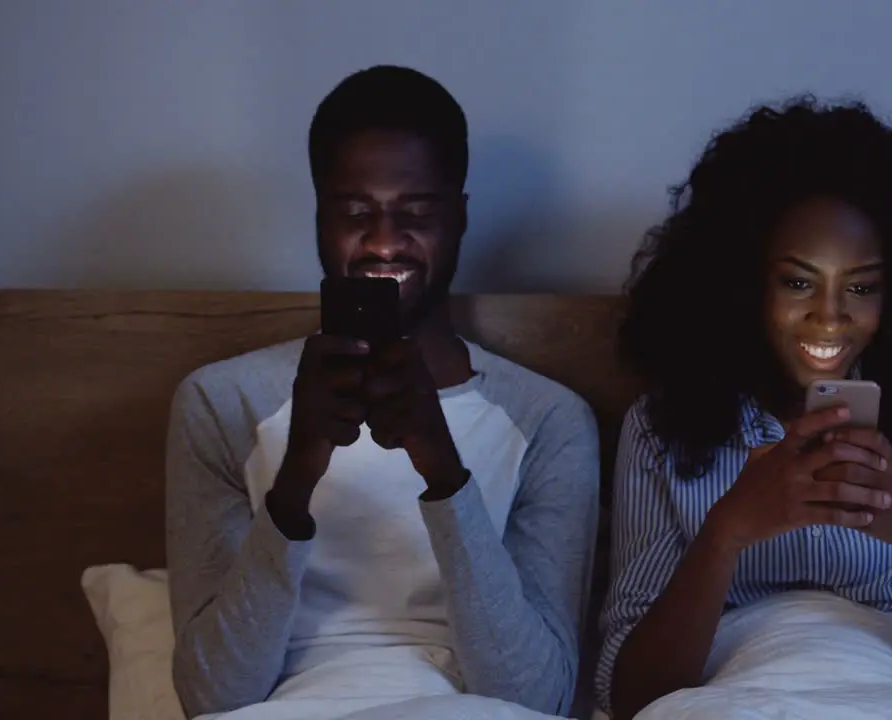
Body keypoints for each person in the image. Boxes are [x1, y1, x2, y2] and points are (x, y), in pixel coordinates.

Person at [165, 66, 599, 718]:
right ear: (320, 217)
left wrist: (443, 470)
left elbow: (536, 695)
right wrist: (299, 470)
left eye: (416, 212)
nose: (385, 241)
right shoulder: (221, 402)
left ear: (458, 218)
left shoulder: (549, 420)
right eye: (355, 212)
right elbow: (213, 695)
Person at [596, 96, 892, 720]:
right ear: (745, 280)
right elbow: (630, 696)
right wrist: (727, 532)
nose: (830, 317)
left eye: (861, 287)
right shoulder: (660, 430)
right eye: (798, 281)